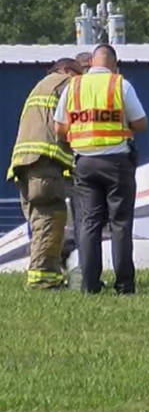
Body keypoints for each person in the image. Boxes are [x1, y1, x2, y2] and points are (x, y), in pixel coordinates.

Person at [54, 44, 147, 294]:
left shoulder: (73, 86)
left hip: (84, 163)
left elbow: (59, 129)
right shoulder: (120, 85)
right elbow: (140, 122)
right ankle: (125, 286)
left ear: (92, 63)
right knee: (120, 224)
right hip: (117, 163)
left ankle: (90, 285)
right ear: (114, 64)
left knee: (88, 224)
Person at [7, 58, 83, 289]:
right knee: (51, 216)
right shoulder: (65, 84)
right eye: (79, 75)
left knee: (40, 221)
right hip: (45, 163)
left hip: (24, 164)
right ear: (68, 71)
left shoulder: (41, 86)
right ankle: (43, 280)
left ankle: (48, 273)